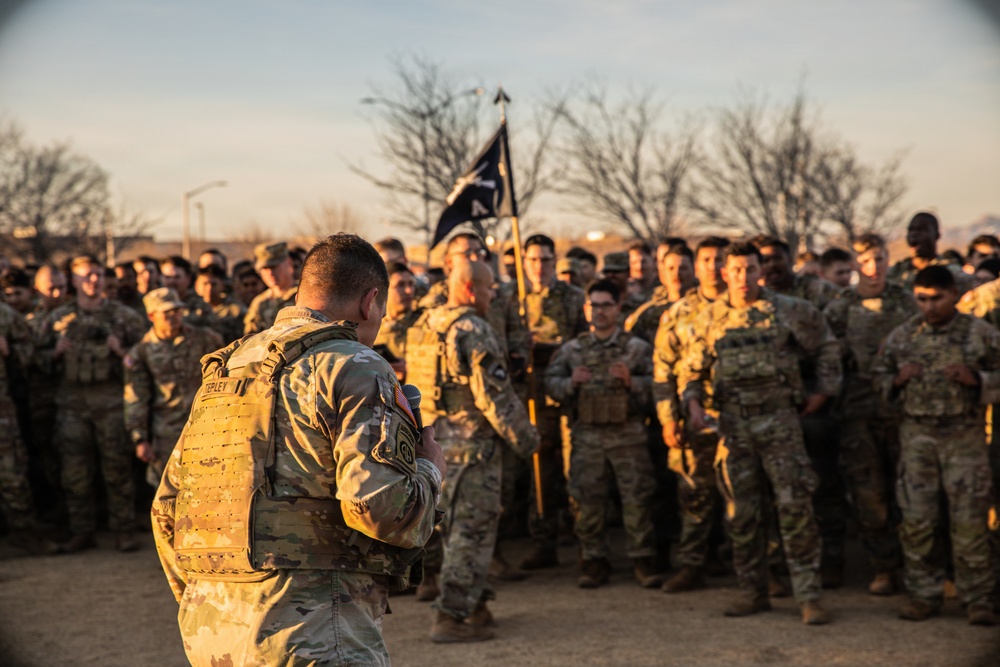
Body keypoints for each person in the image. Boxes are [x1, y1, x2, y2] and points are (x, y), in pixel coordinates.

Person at [151, 233, 446, 666]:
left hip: (212, 634)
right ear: (370, 302)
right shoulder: (353, 364)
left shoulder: (229, 365)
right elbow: (378, 506)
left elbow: (167, 508)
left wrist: (207, 600)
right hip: (316, 633)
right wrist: (429, 470)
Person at [678, 241, 841, 625]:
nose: (743, 277)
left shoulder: (789, 310)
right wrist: (693, 404)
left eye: (750, 269)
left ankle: (808, 596)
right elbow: (691, 370)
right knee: (742, 513)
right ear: (724, 273)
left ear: (760, 271)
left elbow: (826, 346)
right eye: (735, 269)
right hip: (733, 426)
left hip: (779, 422)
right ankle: (753, 591)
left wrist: (823, 391)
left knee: (795, 508)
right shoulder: (708, 318)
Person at [407, 261, 539, 642]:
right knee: (472, 532)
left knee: (453, 530)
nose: (492, 295)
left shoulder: (425, 325)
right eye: (488, 288)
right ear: (469, 289)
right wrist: (527, 439)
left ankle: (476, 603)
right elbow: (494, 397)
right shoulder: (473, 330)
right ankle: (450, 615)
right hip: (473, 448)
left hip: (433, 447)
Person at [871, 266, 999, 626]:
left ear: (954, 295)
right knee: (918, 520)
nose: (929, 306)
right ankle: (923, 595)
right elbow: (877, 378)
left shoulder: (980, 334)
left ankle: (978, 598)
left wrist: (978, 379)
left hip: (964, 437)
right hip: (917, 438)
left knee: (970, 521)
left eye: (937, 298)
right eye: (922, 299)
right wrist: (897, 380)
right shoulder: (903, 336)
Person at [546, 279, 660, 589]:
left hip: (629, 437)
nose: (599, 311)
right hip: (588, 437)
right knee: (587, 501)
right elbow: (550, 385)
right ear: (586, 309)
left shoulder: (636, 349)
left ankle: (643, 560)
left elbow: (660, 386)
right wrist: (570, 382)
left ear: (618, 308)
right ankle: (593, 560)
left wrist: (632, 381)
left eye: (606, 305)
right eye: (594, 305)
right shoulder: (572, 350)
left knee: (637, 499)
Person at [823, 233, 917, 595]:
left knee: (910, 492)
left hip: (903, 412)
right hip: (858, 413)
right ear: (854, 265)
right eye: (864, 261)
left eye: (879, 259)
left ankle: (919, 568)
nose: (873, 268)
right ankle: (883, 567)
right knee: (868, 493)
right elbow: (826, 355)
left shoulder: (906, 302)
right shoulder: (841, 307)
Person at [37, 255, 148, 553]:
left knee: (118, 469)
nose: (94, 280)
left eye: (97, 274)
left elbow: (145, 359)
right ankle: (81, 530)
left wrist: (121, 351)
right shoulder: (57, 319)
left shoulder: (124, 317)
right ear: (73, 280)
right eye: (86, 275)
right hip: (71, 408)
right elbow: (32, 361)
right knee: (75, 473)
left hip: (111, 405)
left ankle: (124, 529)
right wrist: (54, 354)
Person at [757, 236, 846, 589]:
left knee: (822, 484)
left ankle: (832, 560)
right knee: (772, 492)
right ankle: (778, 566)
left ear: (789, 259)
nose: (771, 266)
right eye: (763, 260)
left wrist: (823, 392)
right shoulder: (751, 302)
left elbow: (833, 345)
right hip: (771, 407)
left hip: (813, 406)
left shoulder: (818, 294)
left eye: (777, 259)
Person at [654, 236, 730, 593]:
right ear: (696, 267)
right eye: (706, 260)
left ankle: (762, 569)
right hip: (694, 418)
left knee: (746, 495)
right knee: (694, 494)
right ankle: (692, 564)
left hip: (741, 418)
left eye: (720, 260)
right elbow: (662, 370)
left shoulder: (747, 308)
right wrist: (669, 418)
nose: (713, 267)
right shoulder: (679, 312)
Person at [519, 233, 587, 570]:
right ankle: (542, 540)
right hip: (533, 395)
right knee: (540, 470)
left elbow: (585, 341)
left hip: (569, 393)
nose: (539, 266)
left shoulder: (574, 297)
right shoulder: (514, 298)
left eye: (546, 260)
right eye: (533, 260)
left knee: (576, 469)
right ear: (524, 261)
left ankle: (585, 543)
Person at [124, 288, 223, 485]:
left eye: (177, 310)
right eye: (166, 312)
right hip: (167, 434)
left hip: (207, 428)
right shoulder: (141, 352)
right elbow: (136, 398)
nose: (174, 316)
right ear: (151, 316)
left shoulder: (206, 339)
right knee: (169, 489)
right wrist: (140, 438)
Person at [626, 242, 695, 343]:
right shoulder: (648, 313)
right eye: (671, 268)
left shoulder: (705, 308)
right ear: (663, 271)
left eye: (683, 268)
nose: (677, 273)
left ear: (694, 270)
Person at [888, 212, 971, 293]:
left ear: (937, 235)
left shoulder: (951, 272)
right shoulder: (895, 272)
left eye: (922, 230)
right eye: (911, 230)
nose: (914, 234)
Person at [373, 261, 420, 381]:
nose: (409, 291)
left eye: (411, 284)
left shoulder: (423, 323)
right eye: (400, 285)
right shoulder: (372, 324)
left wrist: (412, 368)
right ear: (384, 290)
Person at [243, 241, 298, 335]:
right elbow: (250, 338)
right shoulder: (259, 302)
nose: (270, 273)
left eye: (274, 267)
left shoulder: (304, 295)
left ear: (289, 263)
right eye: (265, 268)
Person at [160, 256, 220, 331]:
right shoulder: (154, 305)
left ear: (188, 278)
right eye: (167, 277)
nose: (172, 281)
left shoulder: (201, 307)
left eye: (177, 277)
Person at [194, 265, 246, 344]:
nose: (209, 288)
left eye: (214, 284)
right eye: (205, 284)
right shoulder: (189, 309)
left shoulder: (236, 310)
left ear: (222, 285)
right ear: (197, 286)